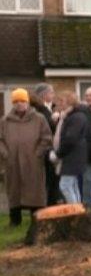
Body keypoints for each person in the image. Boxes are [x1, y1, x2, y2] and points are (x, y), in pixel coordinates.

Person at [0, 88, 52, 227]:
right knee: (14, 190)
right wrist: (5, 154)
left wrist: (38, 153)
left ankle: (37, 220)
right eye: (16, 101)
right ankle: (15, 220)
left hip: (33, 162)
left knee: (34, 190)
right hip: (12, 162)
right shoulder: (5, 121)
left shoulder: (39, 119)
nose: (19, 104)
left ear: (27, 102)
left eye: (22, 101)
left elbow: (46, 138)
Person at [50, 91, 87, 204]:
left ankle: (74, 212)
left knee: (65, 186)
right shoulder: (72, 116)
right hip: (73, 156)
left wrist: (58, 154)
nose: (59, 104)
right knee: (73, 185)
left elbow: (70, 139)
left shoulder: (76, 117)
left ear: (69, 102)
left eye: (62, 101)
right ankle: (78, 211)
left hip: (72, 157)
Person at [29, 83, 60, 205]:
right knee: (49, 177)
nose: (53, 95)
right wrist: (54, 120)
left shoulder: (49, 107)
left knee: (53, 177)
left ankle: (51, 202)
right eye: (51, 92)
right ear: (44, 94)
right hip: (44, 148)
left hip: (49, 147)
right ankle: (49, 203)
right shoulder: (39, 110)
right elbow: (46, 128)